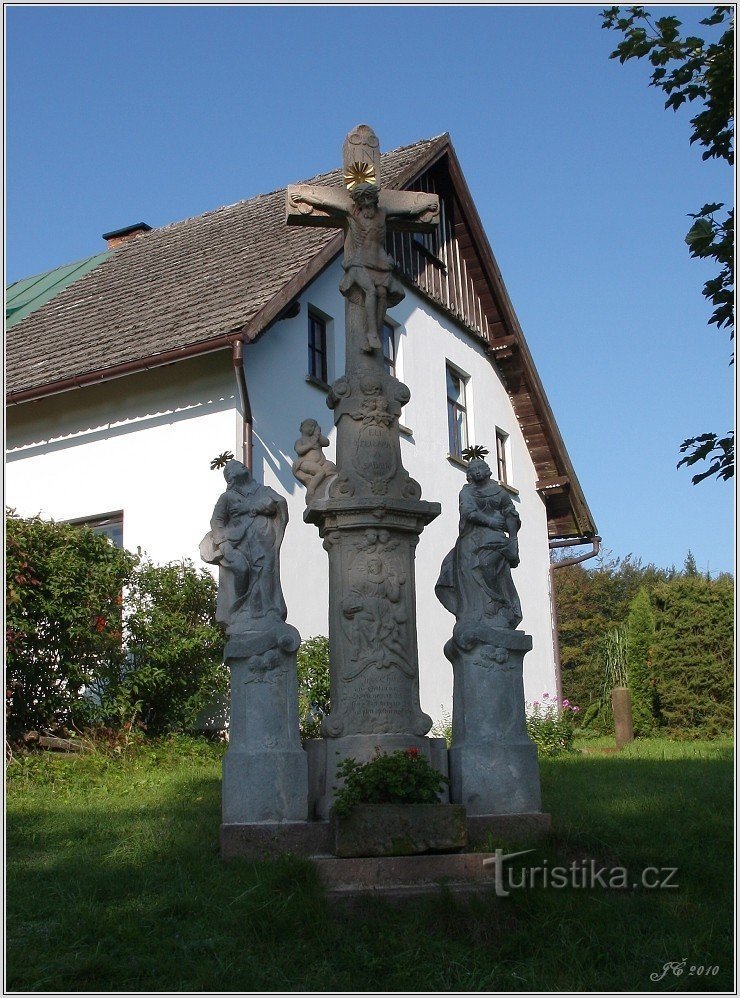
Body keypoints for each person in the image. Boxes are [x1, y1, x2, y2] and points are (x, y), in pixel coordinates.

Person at [200, 460, 288, 631]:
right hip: (237, 543)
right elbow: (216, 520)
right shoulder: (227, 497)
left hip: (263, 542)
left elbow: (277, 503)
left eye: (242, 465)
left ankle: (267, 611)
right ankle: (239, 610)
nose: (243, 466)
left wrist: (252, 507)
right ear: (231, 477)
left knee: (265, 574)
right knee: (242, 570)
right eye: (237, 467)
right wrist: (222, 543)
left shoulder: (263, 490)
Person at [435, 459, 523, 629]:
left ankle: (498, 603)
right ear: (469, 474)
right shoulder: (467, 492)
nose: (477, 471)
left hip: (496, 540)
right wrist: (491, 521)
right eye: (473, 469)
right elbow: (468, 512)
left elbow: (510, 513)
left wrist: (513, 539)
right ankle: (473, 611)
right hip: (472, 536)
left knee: (487, 565)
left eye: (480, 468)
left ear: (487, 470)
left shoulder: (499, 492)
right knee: (460, 567)